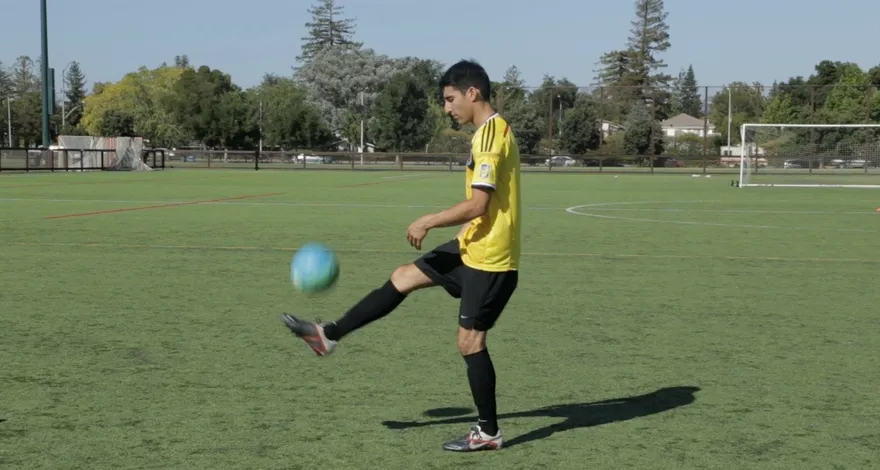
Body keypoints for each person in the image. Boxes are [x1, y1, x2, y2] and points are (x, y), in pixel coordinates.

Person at [282, 59, 521, 452]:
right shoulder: (487, 132)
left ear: (472, 93)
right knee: (403, 276)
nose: (447, 108)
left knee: (470, 342)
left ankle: (488, 433)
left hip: (490, 261)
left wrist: (430, 220)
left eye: (449, 99)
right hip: (471, 246)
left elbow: (479, 203)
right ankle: (329, 336)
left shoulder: (490, 137)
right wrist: (461, 234)